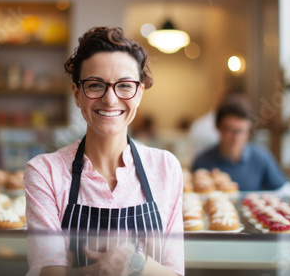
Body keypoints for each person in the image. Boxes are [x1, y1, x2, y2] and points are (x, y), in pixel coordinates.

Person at [23, 26, 184, 276]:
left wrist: (133, 262)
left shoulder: (165, 167)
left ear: (139, 93)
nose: (110, 99)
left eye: (124, 85)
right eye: (96, 85)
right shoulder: (45, 172)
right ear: (77, 94)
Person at [191, 100, 287, 191]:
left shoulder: (261, 157)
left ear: (248, 131)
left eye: (240, 131)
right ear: (218, 127)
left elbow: (281, 190)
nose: (235, 137)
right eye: (229, 130)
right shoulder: (202, 161)